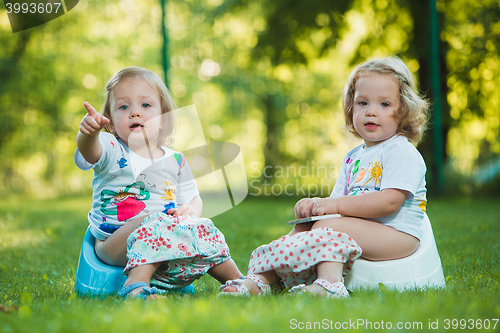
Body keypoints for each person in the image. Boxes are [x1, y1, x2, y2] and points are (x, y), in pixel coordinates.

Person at [219, 57, 429, 298]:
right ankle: (262, 279)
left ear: (404, 110)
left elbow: (389, 202)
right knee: (306, 225)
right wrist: (315, 206)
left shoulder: (401, 151)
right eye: (362, 103)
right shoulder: (353, 157)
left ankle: (330, 285)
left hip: (397, 235)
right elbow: (337, 204)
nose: (371, 111)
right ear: (351, 108)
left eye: (384, 104)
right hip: (365, 229)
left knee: (328, 225)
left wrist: (333, 208)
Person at [75, 67, 243, 300]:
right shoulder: (110, 148)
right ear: (111, 123)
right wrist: (89, 133)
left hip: (165, 241)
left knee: (204, 227)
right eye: (124, 107)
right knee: (151, 222)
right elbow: (89, 151)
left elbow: (193, 199)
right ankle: (136, 287)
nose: (135, 113)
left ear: (164, 119)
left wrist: (190, 211)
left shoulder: (175, 160)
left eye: (146, 105)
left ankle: (238, 282)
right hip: (115, 244)